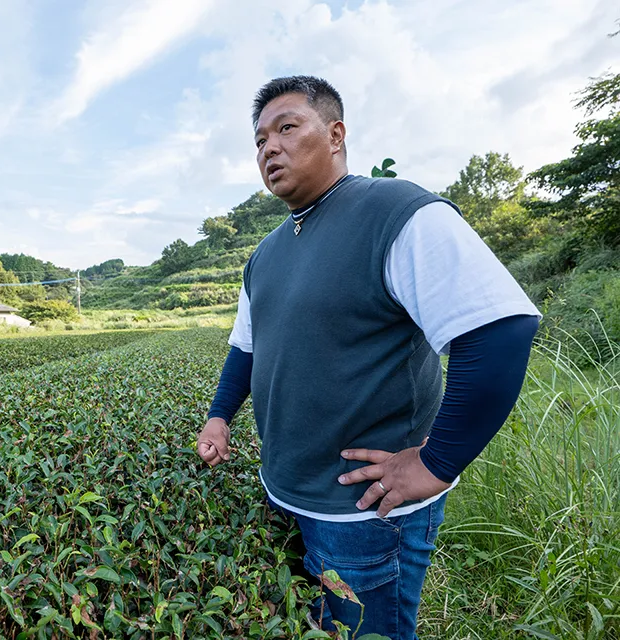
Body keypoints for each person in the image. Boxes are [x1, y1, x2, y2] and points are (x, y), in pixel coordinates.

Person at [196, 75, 540, 639]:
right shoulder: (265, 255)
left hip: (363, 516)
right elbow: (246, 347)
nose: (269, 148)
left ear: (335, 134)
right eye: (259, 141)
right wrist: (219, 416)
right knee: (317, 627)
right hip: (285, 492)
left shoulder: (395, 210)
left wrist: (436, 462)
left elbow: (500, 326)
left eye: (286, 128)